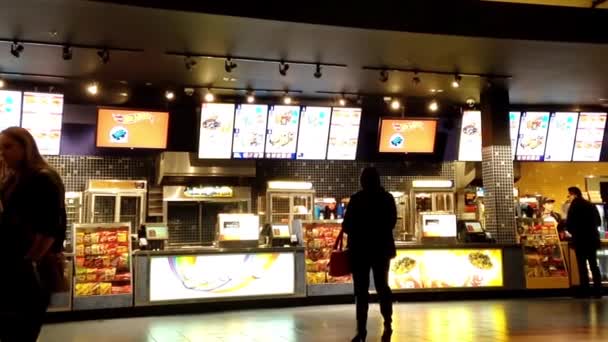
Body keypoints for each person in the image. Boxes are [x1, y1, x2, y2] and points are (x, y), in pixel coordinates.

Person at [0, 127, 67, 341]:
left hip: (30, 269)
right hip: (14, 266)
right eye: (0, 148)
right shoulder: (13, 179)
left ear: (26, 147)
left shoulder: (43, 177)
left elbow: (50, 228)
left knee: (22, 329)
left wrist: (30, 261)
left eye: (8, 147)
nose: (3, 153)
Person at [342, 167, 397, 342]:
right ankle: (387, 322)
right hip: (381, 250)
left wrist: (360, 230)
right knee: (382, 287)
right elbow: (392, 222)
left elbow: (346, 226)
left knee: (361, 291)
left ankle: (362, 330)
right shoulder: (387, 199)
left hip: (360, 251)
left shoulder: (356, 199)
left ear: (363, 181)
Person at [566, 186, 603, 298]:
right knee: (594, 265)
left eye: (568, 195)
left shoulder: (574, 206)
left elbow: (569, 224)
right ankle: (598, 291)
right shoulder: (590, 205)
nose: (568, 197)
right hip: (592, 240)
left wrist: (574, 232)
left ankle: (585, 291)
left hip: (580, 240)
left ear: (574, 194)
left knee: (582, 266)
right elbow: (598, 222)